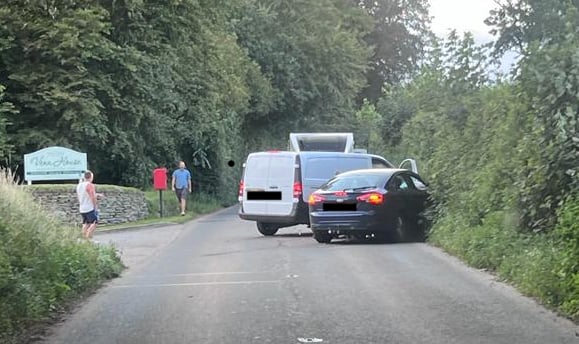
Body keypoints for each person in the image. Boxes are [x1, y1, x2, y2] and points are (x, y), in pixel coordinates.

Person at [76, 170, 98, 240]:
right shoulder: (89, 185)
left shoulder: (79, 185)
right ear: (91, 177)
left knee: (86, 223)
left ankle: (82, 239)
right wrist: (95, 207)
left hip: (82, 207)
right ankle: (88, 239)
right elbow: (92, 196)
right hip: (89, 207)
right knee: (94, 222)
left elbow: (81, 196)